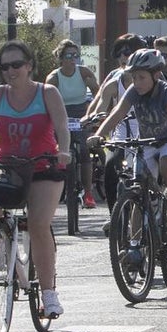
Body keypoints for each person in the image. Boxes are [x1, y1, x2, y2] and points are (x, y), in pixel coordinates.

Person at [0, 41, 71, 318]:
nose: (11, 70)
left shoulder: (47, 93)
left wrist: (64, 151)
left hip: (44, 166)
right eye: (5, 66)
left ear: (29, 66)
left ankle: (49, 294)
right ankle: (11, 252)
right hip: (8, 165)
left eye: (16, 64)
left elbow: (61, 126)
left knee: (37, 224)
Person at [87, 48, 167, 241]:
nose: (136, 82)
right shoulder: (133, 92)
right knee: (139, 191)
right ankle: (135, 244)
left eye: (141, 77)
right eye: (133, 77)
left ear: (156, 75)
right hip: (146, 142)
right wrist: (98, 134)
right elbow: (117, 113)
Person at [85, 33, 145, 217]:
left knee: (148, 175)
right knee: (110, 169)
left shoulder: (152, 81)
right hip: (121, 135)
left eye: (128, 52)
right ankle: (114, 218)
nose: (123, 58)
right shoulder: (114, 82)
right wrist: (92, 119)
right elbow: (101, 106)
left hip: (146, 135)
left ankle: (153, 211)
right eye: (120, 54)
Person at [46, 39, 101, 208]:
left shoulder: (83, 72)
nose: (73, 59)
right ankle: (55, 190)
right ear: (61, 58)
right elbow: (46, 99)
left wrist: (94, 113)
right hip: (60, 113)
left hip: (81, 113)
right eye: (69, 55)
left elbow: (98, 92)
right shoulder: (53, 78)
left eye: (76, 55)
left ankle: (88, 193)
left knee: (84, 150)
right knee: (56, 151)